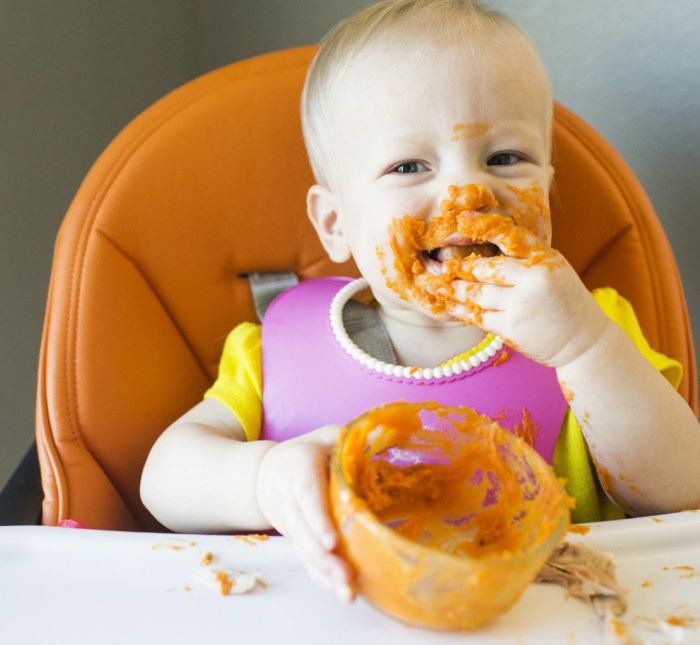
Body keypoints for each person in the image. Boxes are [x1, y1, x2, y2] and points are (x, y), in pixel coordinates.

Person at [141, 0, 700, 604]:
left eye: (506, 158)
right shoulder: (277, 348)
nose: (469, 189)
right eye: (409, 166)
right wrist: (260, 478)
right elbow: (162, 480)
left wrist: (584, 348)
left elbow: (679, 490)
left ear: (548, 186)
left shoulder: (593, 330)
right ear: (336, 223)